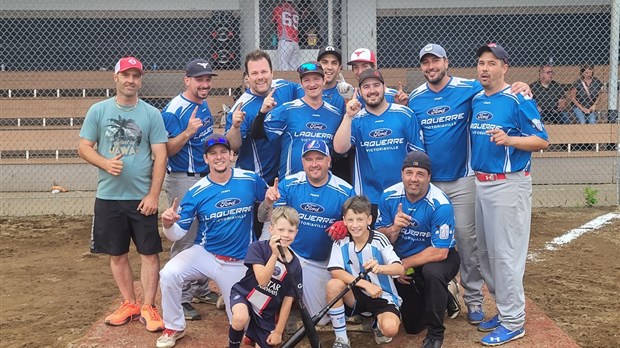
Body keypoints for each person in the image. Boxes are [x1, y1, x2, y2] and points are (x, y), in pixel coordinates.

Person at [407, 43, 532, 326]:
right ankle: (435, 296)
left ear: (446, 62)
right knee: (430, 241)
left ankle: (473, 300)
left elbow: (497, 89)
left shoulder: (469, 89)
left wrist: (520, 85)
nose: (430, 67)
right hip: (431, 183)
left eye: (435, 61)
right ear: (421, 67)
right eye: (425, 63)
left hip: (464, 179)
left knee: (468, 242)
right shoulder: (415, 98)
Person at [156, 134, 279, 348]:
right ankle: (174, 326)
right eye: (213, 154)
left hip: (239, 261)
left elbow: (263, 216)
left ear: (232, 155)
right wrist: (168, 224)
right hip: (206, 254)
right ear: (205, 159)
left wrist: (268, 202)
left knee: (243, 324)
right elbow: (177, 234)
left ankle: (229, 295)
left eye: (223, 152)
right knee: (168, 273)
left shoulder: (249, 179)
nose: (219, 157)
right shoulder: (196, 191)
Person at [77, 56, 167, 332]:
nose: (131, 80)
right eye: (126, 75)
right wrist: (105, 163)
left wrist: (153, 195)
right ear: (115, 78)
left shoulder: (151, 114)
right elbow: (84, 147)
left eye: (136, 76)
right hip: (109, 197)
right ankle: (129, 302)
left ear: (141, 80)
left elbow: (160, 156)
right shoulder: (98, 111)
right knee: (116, 253)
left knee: (149, 253)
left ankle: (149, 306)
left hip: (141, 198)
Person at [471, 43, 549, 346]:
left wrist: (510, 139)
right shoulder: (477, 98)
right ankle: (505, 312)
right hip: (481, 182)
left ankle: (514, 321)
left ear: (505, 67)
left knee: (506, 255)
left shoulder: (519, 97)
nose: (485, 68)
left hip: (508, 183)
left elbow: (542, 141)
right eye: (480, 62)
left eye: (492, 63)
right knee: (487, 256)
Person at [257, 139, 356, 325]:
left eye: (319, 158)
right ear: (303, 163)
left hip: (319, 261)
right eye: (309, 159)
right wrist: (268, 203)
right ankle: (270, 309)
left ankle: (294, 297)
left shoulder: (345, 190)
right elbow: (263, 218)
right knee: (261, 300)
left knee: (320, 320)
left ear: (329, 161)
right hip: (289, 253)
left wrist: (346, 225)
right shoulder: (289, 184)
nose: (314, 164)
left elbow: (359, 227)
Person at [375, 151, 459, 348]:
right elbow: (378, 239)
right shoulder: (388, 196)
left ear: (429, 177)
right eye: (409, 172)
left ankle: (436, 334)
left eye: (420, 174)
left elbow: (440, 252)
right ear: (402, 174)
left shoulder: (440, 203)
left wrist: (401, 265)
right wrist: (394, 228)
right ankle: (443, 296)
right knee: (412, 326)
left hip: (438, 259)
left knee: (432, 273)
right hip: (406, 261)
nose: (414, 179)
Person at [160, 59, 219, 321]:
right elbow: (167, 150)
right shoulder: (175, 109)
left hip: (203, 175)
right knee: (184, 236)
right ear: (187, 80)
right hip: (183, 178)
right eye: (199, 79)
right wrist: (187, 132)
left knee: (205, 233)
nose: (204, 84)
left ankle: (200, 288)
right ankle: (181, 297)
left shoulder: (202, 102)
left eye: (207, 79)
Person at [226, 49, 301, 240]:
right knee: (259, 236)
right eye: (254, 73)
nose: (260, 77)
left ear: (272, 72)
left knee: (286, 231)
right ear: (247, 78)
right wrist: (235, 126)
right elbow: (233, 146)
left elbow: (310, 89)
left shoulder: (286, 88)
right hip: (258, 181)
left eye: (264, 72)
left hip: (284, 176)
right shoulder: (241, 106)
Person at [333, 68, 425, 224]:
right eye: (366, 87)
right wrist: (348, 116)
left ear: (384, 88)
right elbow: (340, 148)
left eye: (376, 85)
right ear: (360, 92)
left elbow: (419, 157)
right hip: (369, 198)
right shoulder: (356, 119)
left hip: (404, 194)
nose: (372, 91)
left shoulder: (404, 114)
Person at [327, 195, 404, 348]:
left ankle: (378, 321)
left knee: (390, 329)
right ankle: (342, 339)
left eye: (360, 219)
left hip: (382, 295)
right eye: (350, 220)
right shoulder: (341, 240)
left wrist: (380, 268)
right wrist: (365, 285)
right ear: (344, 220)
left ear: (369, 220)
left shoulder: (379, 239)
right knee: (333, 285)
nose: (355, 225)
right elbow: (335, 270)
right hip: (356, 296)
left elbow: (399, 268)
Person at [227, 206, 302, 348]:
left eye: (290, 231)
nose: (285, 235)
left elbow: (288, 300)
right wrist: (274, 254)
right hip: (245, 296)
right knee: (240, 318)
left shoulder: (295, 264)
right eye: (281, 230)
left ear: (296, 233)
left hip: (266, 313)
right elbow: (262, 281)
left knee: (269, 343)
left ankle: (252, 334)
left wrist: (278, 332)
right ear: (271, 229)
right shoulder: (258, 248)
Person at [254, 61, 342, 179]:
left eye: (316, 79)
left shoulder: (335, 114)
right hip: (291, 185)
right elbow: (258, 135)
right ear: (300, 83)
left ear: (324, 80)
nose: (312, 84)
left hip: (322, 185)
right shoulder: (287, 110)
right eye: (306, 80)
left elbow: (340, 151)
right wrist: (262, 112)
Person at [317, 46, 354, 184]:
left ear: (340, 68)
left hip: (339, 158)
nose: (329, 67)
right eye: (325, 62)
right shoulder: (306, 90)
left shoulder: (346, 92)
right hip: (313, 157)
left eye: (334, 63)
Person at [344, 48, 408, 106]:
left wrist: (402, 105)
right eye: (356, 67)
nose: (360, 71)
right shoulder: (350, 97)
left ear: (374, 67)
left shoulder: (393, 96)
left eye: (365, 66)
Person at [272, 0, 300, 71]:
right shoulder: (295, 11)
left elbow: (272, 22)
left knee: (283, 66)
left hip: (285, 41)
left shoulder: (279, 9)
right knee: (293, 67)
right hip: (295, 42)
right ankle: (294, 81)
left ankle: (285, 81)